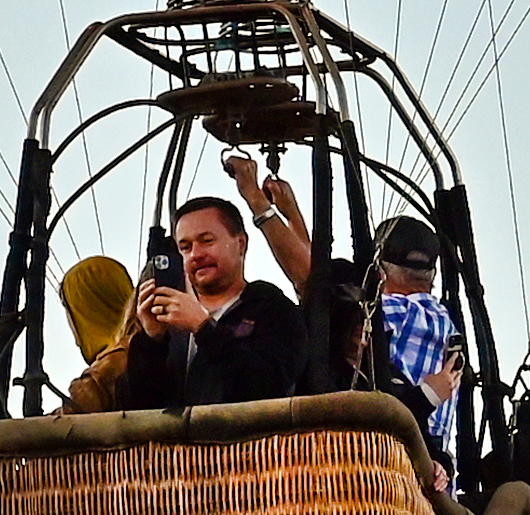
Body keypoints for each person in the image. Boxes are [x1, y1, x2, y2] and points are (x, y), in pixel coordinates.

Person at [63, 152, 360, 413]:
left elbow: (267, 385)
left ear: (240, 244)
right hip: (173, 459)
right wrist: (152, 341)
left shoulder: (270, 308)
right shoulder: (170, 320)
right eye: (185, 247)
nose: (197, 254)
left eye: (207, 241)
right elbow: (140, 407)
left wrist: (204, 328)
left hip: (251, 457)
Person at [367, 216, 463, 465]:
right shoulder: (446, 324)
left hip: (386, 461)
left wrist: (271, 211)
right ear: (431, 274)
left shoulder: (392, 313)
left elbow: (309, 281)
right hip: (432, 470)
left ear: (379, 271)